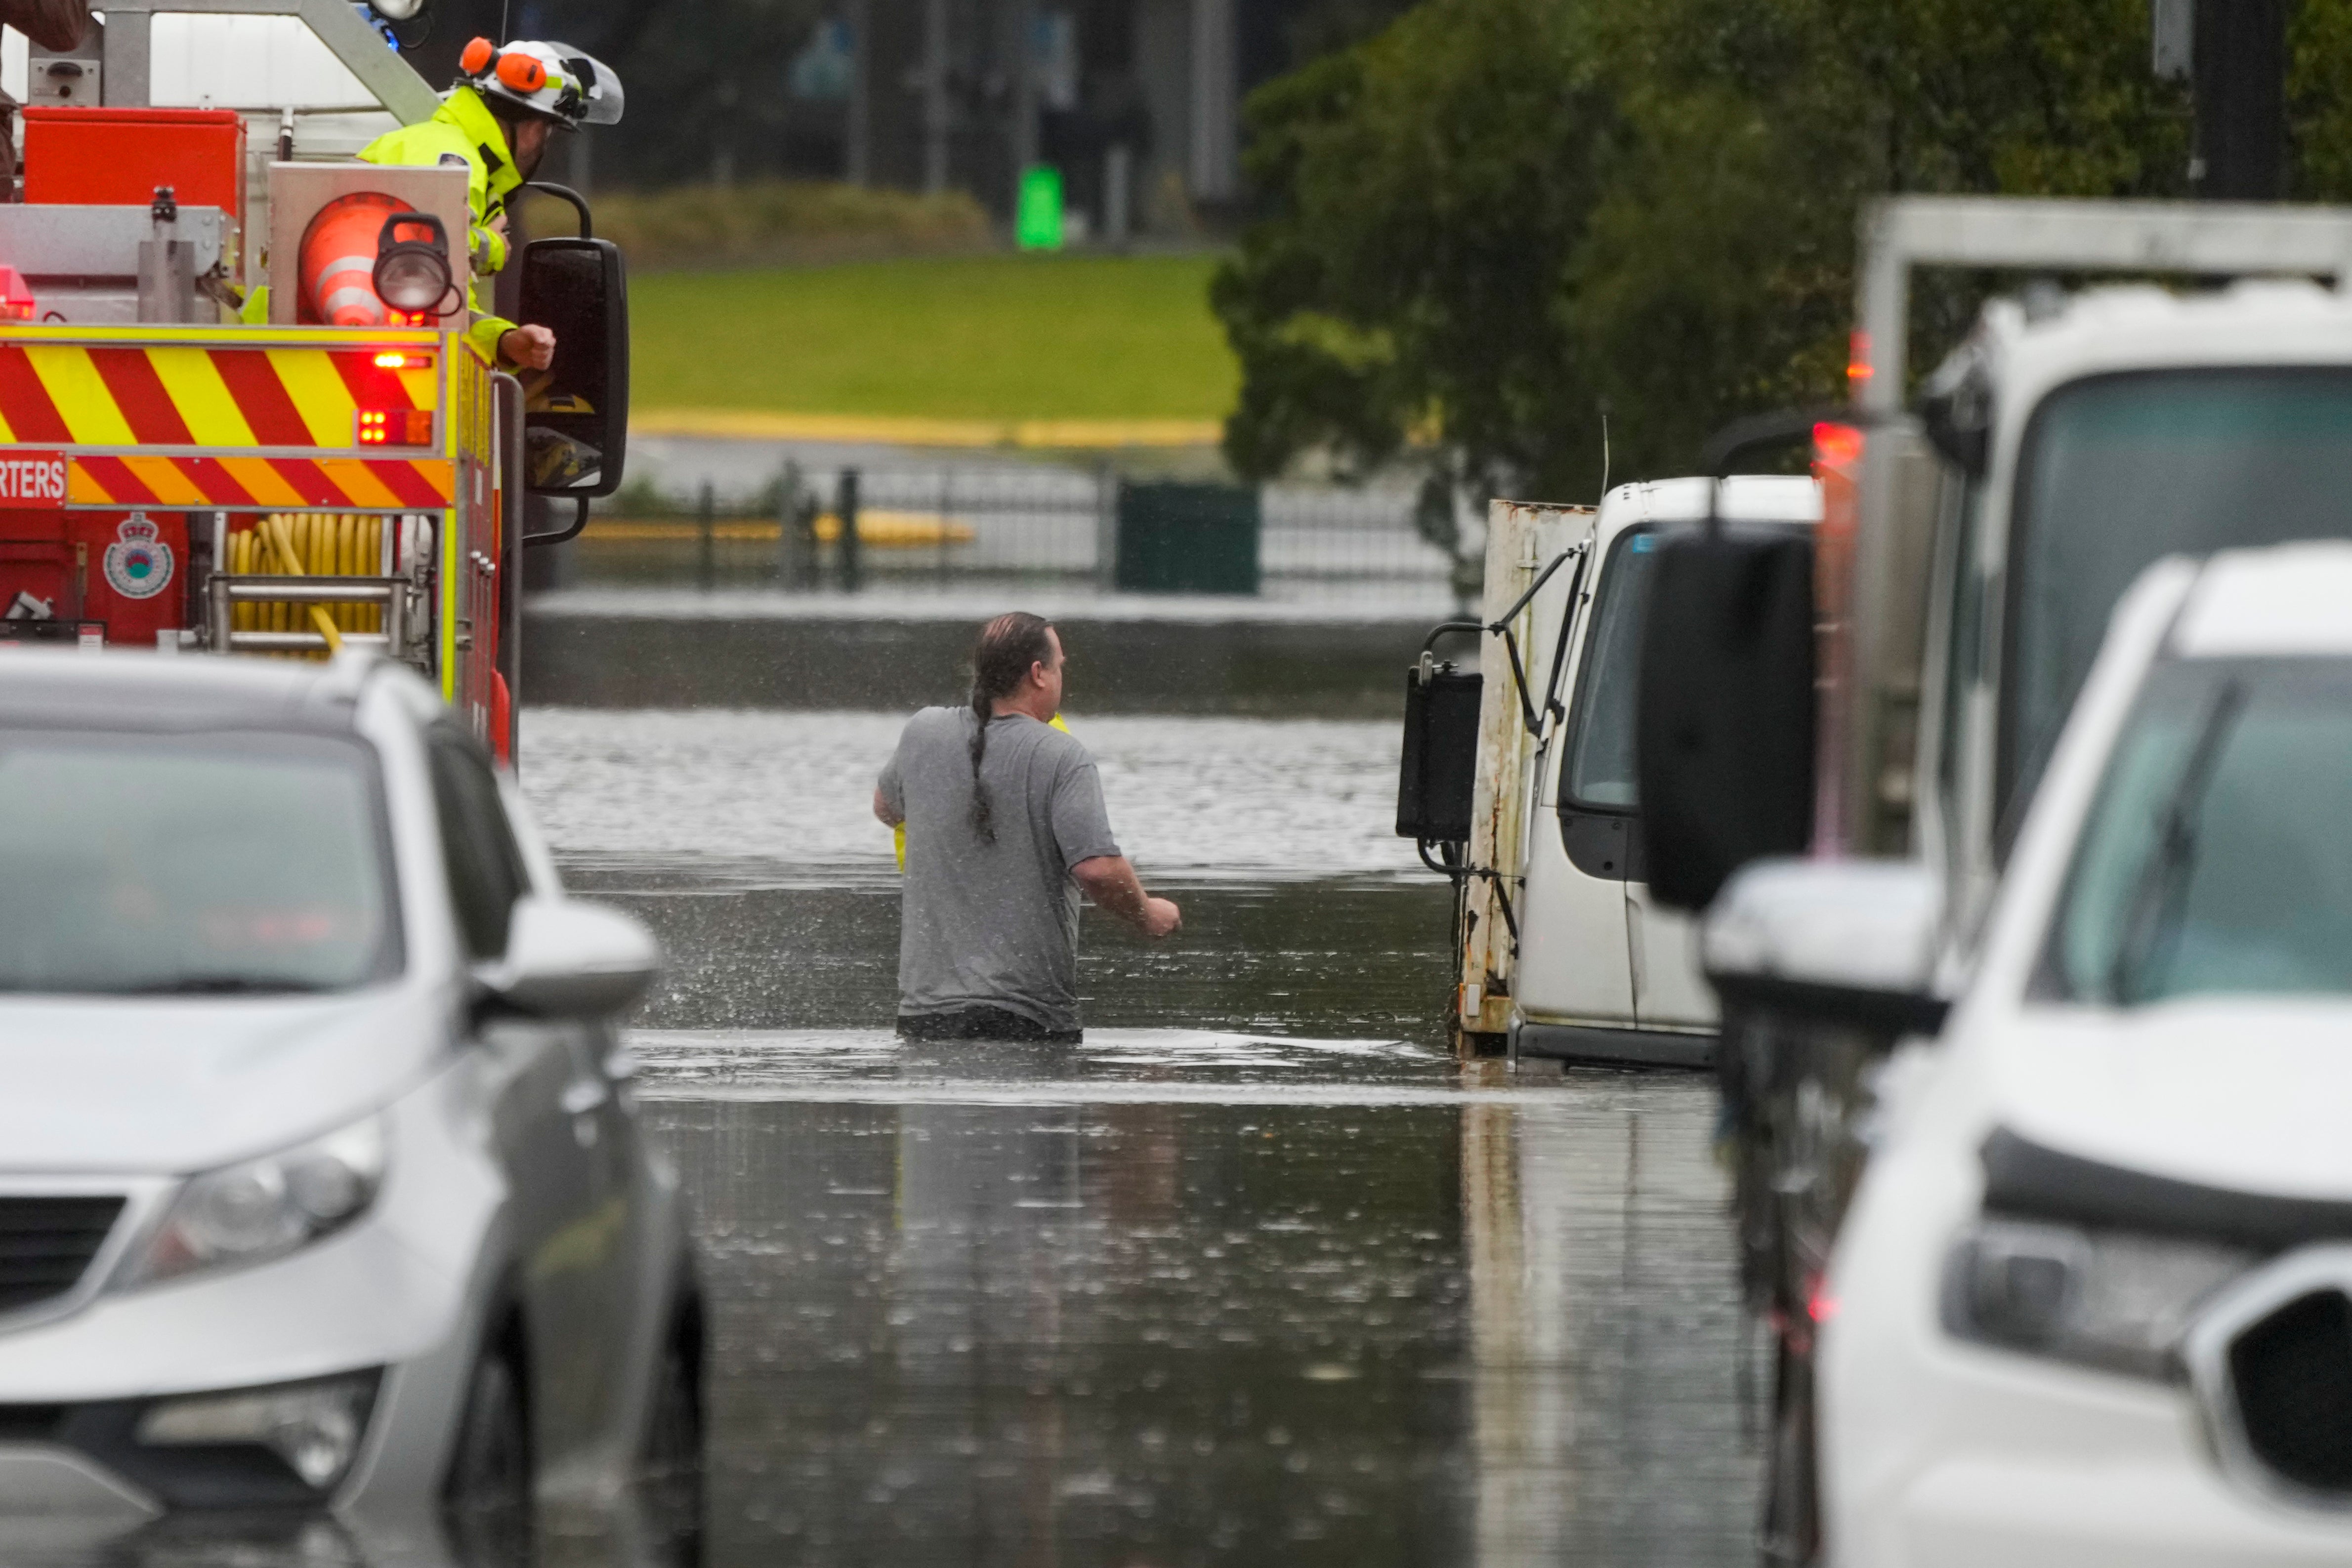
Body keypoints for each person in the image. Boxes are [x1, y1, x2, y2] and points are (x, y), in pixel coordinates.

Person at [874, 613, 1180, 1042]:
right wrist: (1148, 914)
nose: (1061, 678)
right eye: (1059, 667)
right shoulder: (1062, 755)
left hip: (924, 1020)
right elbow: (1096, 870)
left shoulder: (923, 731)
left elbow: (887, 808)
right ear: (1038, 674)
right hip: (1025, 1021)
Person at [356, 37, 624, 371]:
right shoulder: (452, 160)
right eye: (547, 130)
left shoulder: (454, 155)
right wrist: (491, 245)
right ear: (527, 125)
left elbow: (439, 308)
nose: (543, 144)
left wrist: (504, 341)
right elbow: (421, 254)